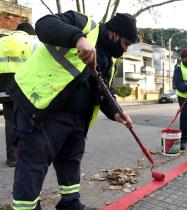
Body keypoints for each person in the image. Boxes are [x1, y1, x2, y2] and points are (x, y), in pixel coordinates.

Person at [8, 11, 137, 210]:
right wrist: (78, 38)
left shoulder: (108, 61)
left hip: (76, 119)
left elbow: (103, 91)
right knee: (33, 164)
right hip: (43, 109)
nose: (125, 50)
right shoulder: (84, 25)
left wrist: (116, 112)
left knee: (70, 161)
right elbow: (44, 24)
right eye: (126, 43)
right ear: (115, 34)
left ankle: (70, 204)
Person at [0, 22, 37, 167]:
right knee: (25, 120)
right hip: (23, 87)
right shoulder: (32, 42)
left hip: (3, 88)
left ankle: (12, 157)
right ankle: (26, 154)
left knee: (10, 121)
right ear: (28, 32)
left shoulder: (1, 41)